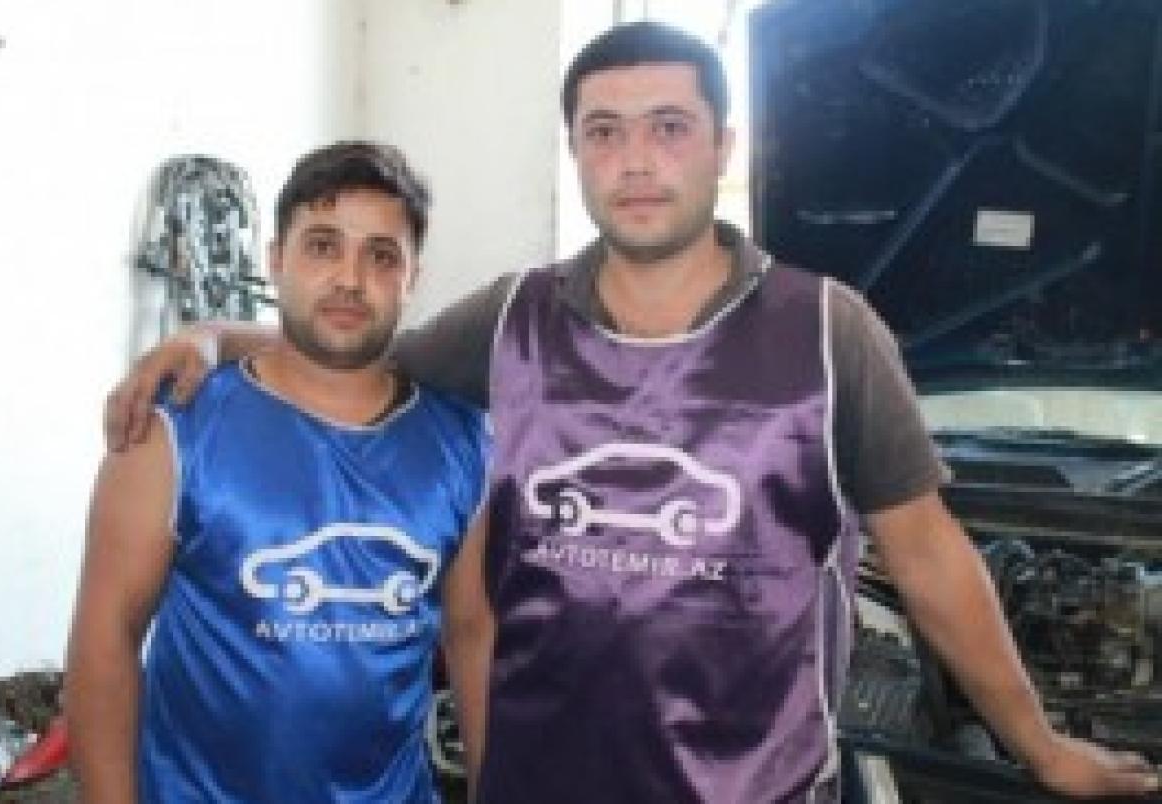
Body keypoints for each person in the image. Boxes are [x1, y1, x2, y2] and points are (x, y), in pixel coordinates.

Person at [102, 22, 1160, 803]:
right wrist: (213, 339)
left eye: (669, 128)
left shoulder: (829, 334)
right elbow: (353, 356)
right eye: (604, 132)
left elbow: (928, 558)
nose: (637, 160)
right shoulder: (510, 321)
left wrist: (1040, 747)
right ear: (576, 152)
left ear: (721, 146)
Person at [67, 141, 492, 803]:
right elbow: (104, 646)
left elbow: (474, 637)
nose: (350, 278)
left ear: (413, 278)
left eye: (382, 256)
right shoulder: (176, 430)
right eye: (323, 246)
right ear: (275, 260)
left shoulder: (464, 445)